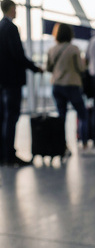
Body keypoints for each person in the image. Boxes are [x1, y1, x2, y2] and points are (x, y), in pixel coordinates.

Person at [0, 0, 43, 166]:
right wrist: (34, 68)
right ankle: (10, 155)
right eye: (16, 8)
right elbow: (17, 54)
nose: (17, 11)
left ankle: (4, 154)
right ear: (11, 9)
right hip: (11, 81)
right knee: (11, 118)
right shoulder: (11, 28)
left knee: (3, 118)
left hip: (1, 82)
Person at [47, 23, 95, 154]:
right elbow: (81, 68)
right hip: (72, 85)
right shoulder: (74, 49)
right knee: (82, 115)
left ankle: (62, 146)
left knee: (61, 117)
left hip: (57, 85)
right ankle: (84, 144)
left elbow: (48, 68)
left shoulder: (52, 49)